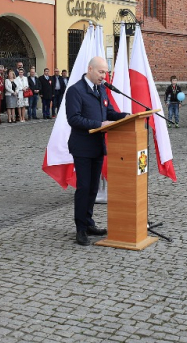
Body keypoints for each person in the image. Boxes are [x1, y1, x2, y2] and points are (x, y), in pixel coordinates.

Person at [65, 56, 128, 246]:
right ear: (90, 69)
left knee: (94, 187)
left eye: (106, 72)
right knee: (84, 187)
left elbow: (107, 113)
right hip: (82, 146)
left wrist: (125, 117)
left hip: (98, 146)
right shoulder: (75, 91)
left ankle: (89, 222)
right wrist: (99, 124)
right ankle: (80, 228)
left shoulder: (101, 89)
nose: (104, 76)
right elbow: (73, 119)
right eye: (101, 72)